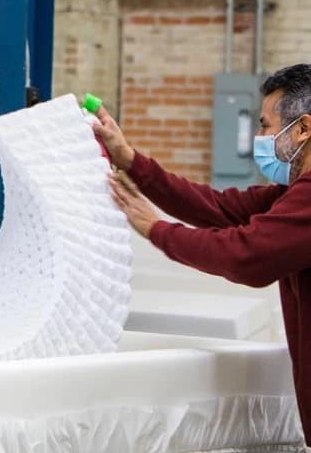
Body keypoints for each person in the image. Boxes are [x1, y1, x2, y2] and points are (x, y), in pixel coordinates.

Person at [95, 63, 311, 446]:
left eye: (265, 125)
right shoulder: (292, 194)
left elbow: (246, 255)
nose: (260, 136)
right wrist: (131, 161)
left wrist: (155, 229)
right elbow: (218, 207)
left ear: (303, 129)